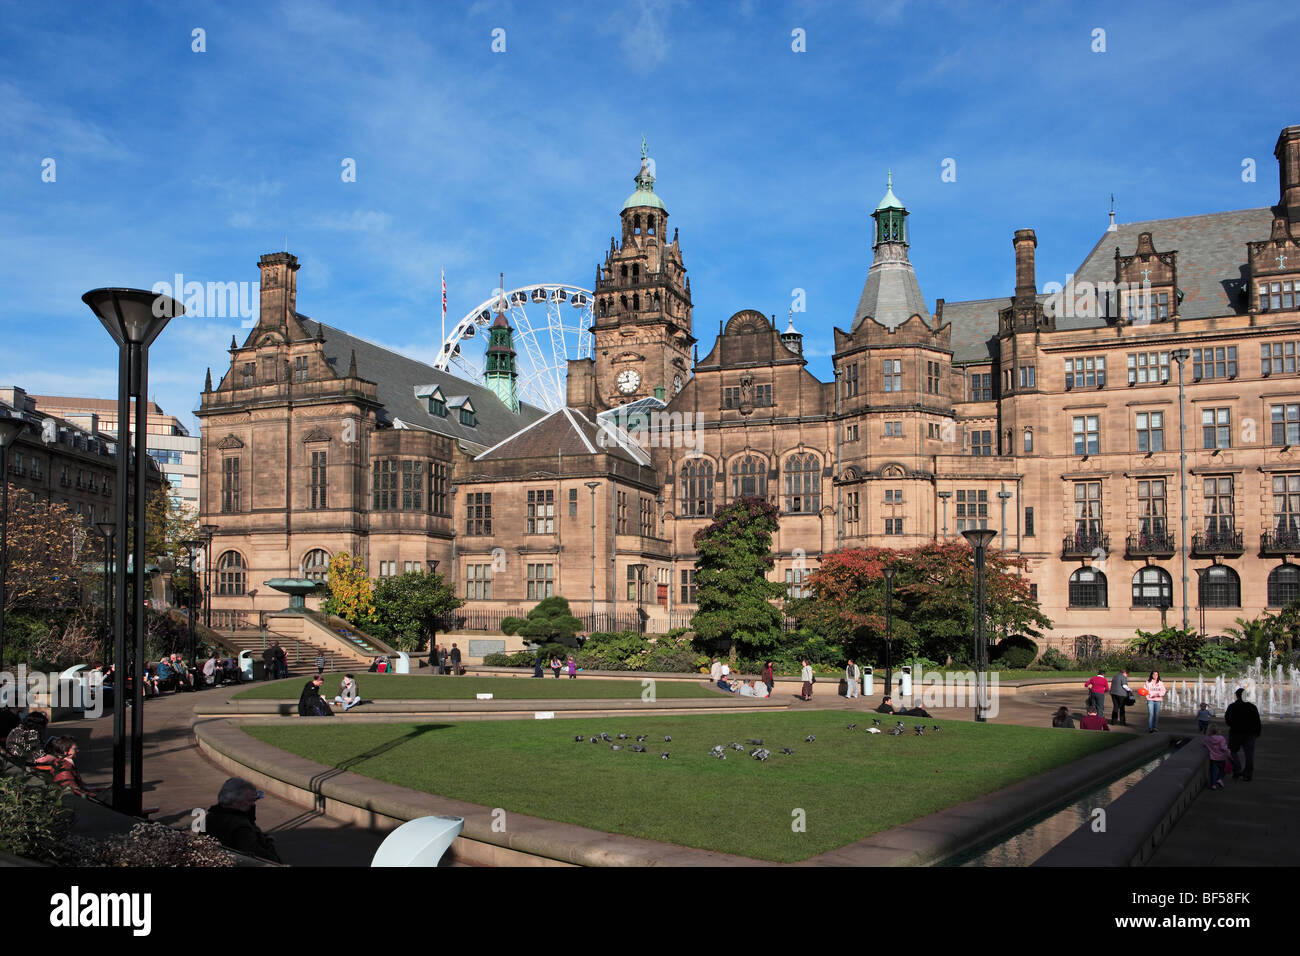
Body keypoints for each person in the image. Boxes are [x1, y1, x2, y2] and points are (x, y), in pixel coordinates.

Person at [205, 778, 282, 864]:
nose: (253, 804)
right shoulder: (240, 826)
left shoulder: (211, 816)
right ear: (234, 801)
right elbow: (258, 855)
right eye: (250, 800)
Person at [33, 736, 104, 797]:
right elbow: (74, 791)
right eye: (75, 749)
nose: (77, 751)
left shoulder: (64, 764)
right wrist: (96, 795)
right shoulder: (64, 768)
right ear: (65, 751)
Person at [1224, 687, 1261, 781]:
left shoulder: (1232, 707)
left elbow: (1227, 720)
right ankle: (1248, 774)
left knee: (1232, 751)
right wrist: (1257, 732)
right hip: (1250, 733)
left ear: (1236, 696)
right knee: (1249, 755)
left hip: (1236, 733)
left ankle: (1237, 769)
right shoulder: (1252, 707)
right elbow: (1257, 721)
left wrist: (1234, 725)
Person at [1202, 723, 1231, 790]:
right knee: (1222, 770)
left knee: (1214, 771)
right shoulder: (1221, 738)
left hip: (1213, 758)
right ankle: (1220, 779)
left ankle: (1213, 785)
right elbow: (1223, 747)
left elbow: (1204, 744)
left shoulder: (1207, 739)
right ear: (1218, 730)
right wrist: (1228, 751)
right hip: (1222, 758)